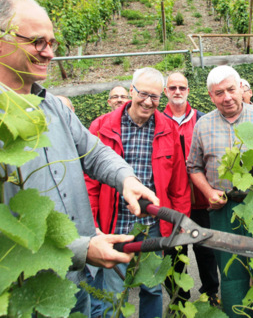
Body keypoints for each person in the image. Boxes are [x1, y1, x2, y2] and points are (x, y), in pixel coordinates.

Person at [0, 0, 159, 316]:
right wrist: (81, 249)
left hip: (76, 283)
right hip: (25, 296)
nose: (49, 52)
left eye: (53, 43)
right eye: (38, 42)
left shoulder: (54, 106)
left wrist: (126, 178)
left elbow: (95, 153)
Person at [85, 67, 191, 318]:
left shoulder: (167, 129)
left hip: (152, 225)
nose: (147, 101)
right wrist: (91, 224)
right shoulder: (102, 126)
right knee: (113, 289)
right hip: (114, 223)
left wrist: (180, 220)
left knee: (152, 287)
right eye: (143, 93)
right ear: (131, 91)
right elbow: (89, 183)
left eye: (154, 97)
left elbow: (178, 184)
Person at [187, 65, 253, 318]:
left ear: (241, 88)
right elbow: (194, 166)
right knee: (231, 276)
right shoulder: (203, 125)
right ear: (211, 96)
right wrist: (208, 191)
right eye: (219, 93)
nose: (227, 97)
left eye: (231, 89)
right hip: (223, 210)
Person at [162, 72, 220, 306]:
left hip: (201, 201)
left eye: (182, 88)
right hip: (172, 203)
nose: (177, 91)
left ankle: (211, 294)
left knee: (206, 252)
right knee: (174, 254)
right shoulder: (158, 120)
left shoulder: (203, 119)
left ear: (188, 91)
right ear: (165, 91)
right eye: (173, 87)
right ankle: (179, 301)